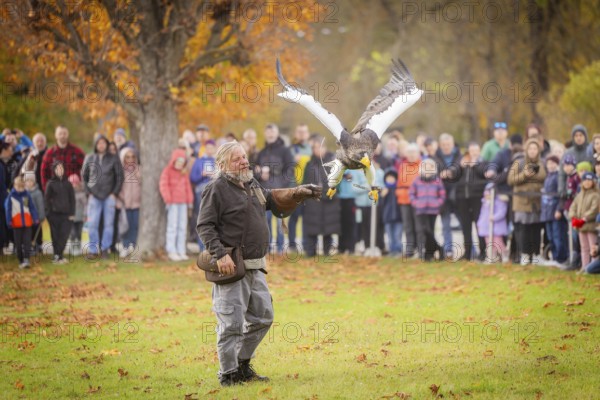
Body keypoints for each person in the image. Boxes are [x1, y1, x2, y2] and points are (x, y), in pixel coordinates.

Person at [196, 141, 320, 386]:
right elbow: (204, 226)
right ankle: (228, 374)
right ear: (221, 165)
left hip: (255, 265)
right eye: (236, 159)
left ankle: (242, 364)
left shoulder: (251, 183)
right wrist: (220, 255)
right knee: (231, 323)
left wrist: (296, 193)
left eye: (244, 156)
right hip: (232, 266)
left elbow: (272, 203)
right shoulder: (216, 188)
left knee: (263, 317)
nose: (243, 161)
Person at [81, 134, 124, 258]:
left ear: (106, 144)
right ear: (95, 144)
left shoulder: (114, 159)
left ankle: (105, 249)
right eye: (99, 143)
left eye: (103, 143)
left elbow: (119, 177)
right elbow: (85, 177)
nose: (101, 145)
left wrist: (114, 193)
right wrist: (88, 193)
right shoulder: (90, 158)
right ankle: (93, 250)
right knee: (93, 224)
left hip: (109, 197)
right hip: (94, 197)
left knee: (108, 224)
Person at [254, 124, 294, 254]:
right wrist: (261, 174)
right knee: (265, 223)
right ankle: (268, 250)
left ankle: (281, 249)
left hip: (279, 193)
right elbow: (255, 173)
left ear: (277, 134)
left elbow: (290, 170)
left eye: (272, 132)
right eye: (268, 132)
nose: (270, 134)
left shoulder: (285, 151)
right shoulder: (261, 152)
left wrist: (281, 185)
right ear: (265, 134)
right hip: (264, 194)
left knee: (279, 222)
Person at [507, 139, 547, 265]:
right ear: (526, 150)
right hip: (521, 203)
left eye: (535, 149)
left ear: (538, 151)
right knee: (523, 229)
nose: (532, 151)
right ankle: (524, 254)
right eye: (530, 149)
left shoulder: (542, 163)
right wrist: (524, 174)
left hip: (536, 202)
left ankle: (535, 254)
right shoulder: (519, 163)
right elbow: (510, 180)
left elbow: (544, 178)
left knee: (535, 229)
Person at [301, 136, 340, 257]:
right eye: (315, 148)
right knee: (312, 228)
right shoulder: (309, 164)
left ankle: (328, 251)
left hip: (329, 200)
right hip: (313, 201)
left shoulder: (333, 162)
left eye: (320, 147)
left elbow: (337, 181)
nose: (317, 150)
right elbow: (305, 182)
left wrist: (329, 193)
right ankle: (310, 251)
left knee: (328, 228)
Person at [454, 142, 489, 261]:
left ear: (479, 151)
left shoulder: (484, 163)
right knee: (465, 226)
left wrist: (475, 165)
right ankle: (467, 253)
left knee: (479, 226)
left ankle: (482, 252)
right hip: (463, 198)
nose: (474, 153)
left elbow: (485, 175)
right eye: (471, 151)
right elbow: (453, 175)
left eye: (476, 150)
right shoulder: (462, 162)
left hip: (477, 198)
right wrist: (460, 166)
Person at [159, 148, 193, 261]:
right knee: (172, 226)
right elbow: (163, 184)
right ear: (173, 161)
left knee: (182, 227)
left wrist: (190, 201)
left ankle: (181, 250)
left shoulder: (184, 173)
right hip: (172, 203)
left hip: (183, 203)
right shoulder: (167, 171)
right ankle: (171, 250)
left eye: (182, 162)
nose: (179, 164)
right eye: (178, 162)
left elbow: (188, 188)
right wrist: (168, 198)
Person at [409, 158, 446, 261]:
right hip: (420, 210)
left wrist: (437, 203)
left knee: (430, 232)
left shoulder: (437, 180)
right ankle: (429, 251)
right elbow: (411, 193)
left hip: (433, 210)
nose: (428, 168)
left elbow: (442, 194)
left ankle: (430, 253)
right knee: (422, 231)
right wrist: (416, 203)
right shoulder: (417, 180)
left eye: (430, 166)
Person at [434, 133, 461, 257]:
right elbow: (434, 172)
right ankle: (448, 250)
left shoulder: (459, 155)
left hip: (457, 194)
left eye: (448, 144)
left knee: (464, 223)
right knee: (445, 224)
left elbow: (460, 167)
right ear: (440, 145)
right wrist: (440, 174)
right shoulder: (436, 157)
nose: (446, 147)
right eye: (444, 145)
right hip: (443, 195)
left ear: (452, 144)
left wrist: (451, 172)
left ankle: (471, 250)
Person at [44, 160, 75, 264]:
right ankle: (57, 256)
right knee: (55, 236)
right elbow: (47, 200)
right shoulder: (50, 183)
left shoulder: (68, 183)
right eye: (57, 168)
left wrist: (72, 213)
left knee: (64, 236)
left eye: (61, 168)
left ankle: (59, 255)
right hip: (54, 214)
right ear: (54, 170)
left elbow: (72, 199)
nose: (60, 170)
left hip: (66, 215)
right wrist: (48, 214)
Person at [4, 176, 39, 268]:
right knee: (18, 244)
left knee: (27, 242)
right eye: (18, 187)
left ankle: (27, 259)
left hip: (27, 223)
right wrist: (9, 221)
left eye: (22, 187)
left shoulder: (26, 195)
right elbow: (8, 210)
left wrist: (35, 218)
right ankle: (21, 260)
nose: (20, 189)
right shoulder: (11, 196)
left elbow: (31, 207)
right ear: (15, 186)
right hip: (16, 224)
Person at [568, 172, 600, 271]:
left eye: (589, 180)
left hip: (591, 225)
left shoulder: (596, 195)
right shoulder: (579, 195)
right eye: (585, 180)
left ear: (593, 182)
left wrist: (584, 219)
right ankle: (584, 266)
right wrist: (574, 217)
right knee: (583, 247)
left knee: (593, 247)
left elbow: (594, 209)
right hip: (581, 226)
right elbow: (573, 207)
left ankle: (593, 267)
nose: (587, 182)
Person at [288, 124, 312, 252]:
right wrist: (292, 161)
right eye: (299, 132)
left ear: (307, 134)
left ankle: (306, 244)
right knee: (294, 218)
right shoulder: (291, 150)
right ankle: (292, 245)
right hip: (295, 188)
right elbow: (285, 168)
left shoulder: (311, 149)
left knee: (306, 218)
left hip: (308, 189)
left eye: (304, 132)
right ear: (296, 134)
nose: (302, 134)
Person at [189, 140, 216, 251]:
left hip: (214, 191)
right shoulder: (199, 161)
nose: (210, 150)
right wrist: (202, 174)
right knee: (202, 218)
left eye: (212, 148)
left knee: (214, 218)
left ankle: (212, 246)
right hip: (201, 192)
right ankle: (202, 247)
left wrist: (215, 175)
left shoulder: (217, 161)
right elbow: (192, 178)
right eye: (208, 147)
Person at [541, 155, 568, 264]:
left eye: (553, 163)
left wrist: (559, 209)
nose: (550, 165)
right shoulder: (547, 177)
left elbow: (561, 196)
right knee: (550, 237)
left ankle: (561, 258)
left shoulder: (558, 177)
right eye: (549, 163)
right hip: (547, 212)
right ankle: (555, 257)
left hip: (556, 211)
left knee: (558, 236)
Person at [40, 126, 85, 191]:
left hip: (73, 190)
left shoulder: (77, 151)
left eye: (64, 133)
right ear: (56, 135)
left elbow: (87, 167)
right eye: (60, 133)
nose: (62, 136)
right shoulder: (49, 153)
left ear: (68, 134)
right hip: (56, 190)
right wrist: (47, 190)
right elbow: (44, 173)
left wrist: (82, 186)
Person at [396, 144, 421, 257]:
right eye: (409, 152)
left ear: (417, 153)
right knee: (408, 225)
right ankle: (410, 248)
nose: (411, 155)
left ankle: (421, 248)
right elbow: (399, 182)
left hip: (417, 199)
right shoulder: (402, 165)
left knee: (418, 225)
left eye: (413, 152)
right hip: (404, 199)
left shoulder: (422, 165)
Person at [116, 148, 141, 257]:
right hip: (124, 204)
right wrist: (121, 199)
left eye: (132, 157)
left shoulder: (139, 170)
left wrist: (137, 173)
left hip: (137, 204)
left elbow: (143, 184)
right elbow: (119, 187)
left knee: (135, 225)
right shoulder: (121, 171)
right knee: (125, 226)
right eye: (127, 157)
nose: (130, 159)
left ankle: (133, 245)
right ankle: (125, 246)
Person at [477, 183, 509, 263]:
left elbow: (502, 212)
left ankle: (504, 256)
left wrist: (494, 217)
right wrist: (479, 223)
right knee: (489, 244)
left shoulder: (499, 201)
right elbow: (482, 214)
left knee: (498, 242)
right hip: (486, 227)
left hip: (496, 227)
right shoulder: (485, 202)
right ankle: (492, 257)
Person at [558, 124, 592, 199]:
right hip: (571, 193)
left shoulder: (591, 151)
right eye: (576, 136)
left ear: (585, 136)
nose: (578, 138)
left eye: (581, 135)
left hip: (589, 192)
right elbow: (562, 174)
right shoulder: (568, 153)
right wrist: (561, 189)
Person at [381, 169, 402, 256]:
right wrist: (382, 196)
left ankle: (398, 250)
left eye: (392, 178)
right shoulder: (384, 189)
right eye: (388, 178)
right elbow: (380, 204)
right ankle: (392, 250)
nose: (390, 179)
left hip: (398, 217)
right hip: (387, 217)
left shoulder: (398, 189)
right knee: (390, 236)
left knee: (397, 235)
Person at [24, 175, 45, 255]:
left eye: (30, 181)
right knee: (29, 233)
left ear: (34, 182)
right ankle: (30, 247)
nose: (29, 183)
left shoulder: (38, 193)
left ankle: (38, 245)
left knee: (37, 232)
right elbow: (25, 205)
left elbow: (40, 205)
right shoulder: (25, 193)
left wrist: (41, 217)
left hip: (36, 218)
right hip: (28, 218)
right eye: (27, 181)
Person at [68, 174, 87, 257]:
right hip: (71, 218)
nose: (73, 185)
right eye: (71, 183)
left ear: (78, 183)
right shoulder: (68, 195)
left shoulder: (81, 194)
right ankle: (72, 247)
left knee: (78, 233)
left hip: (80, 218)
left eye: (74, 183)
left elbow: (86, 205)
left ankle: (78, 247)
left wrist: (85, 215)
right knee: (72, 233)